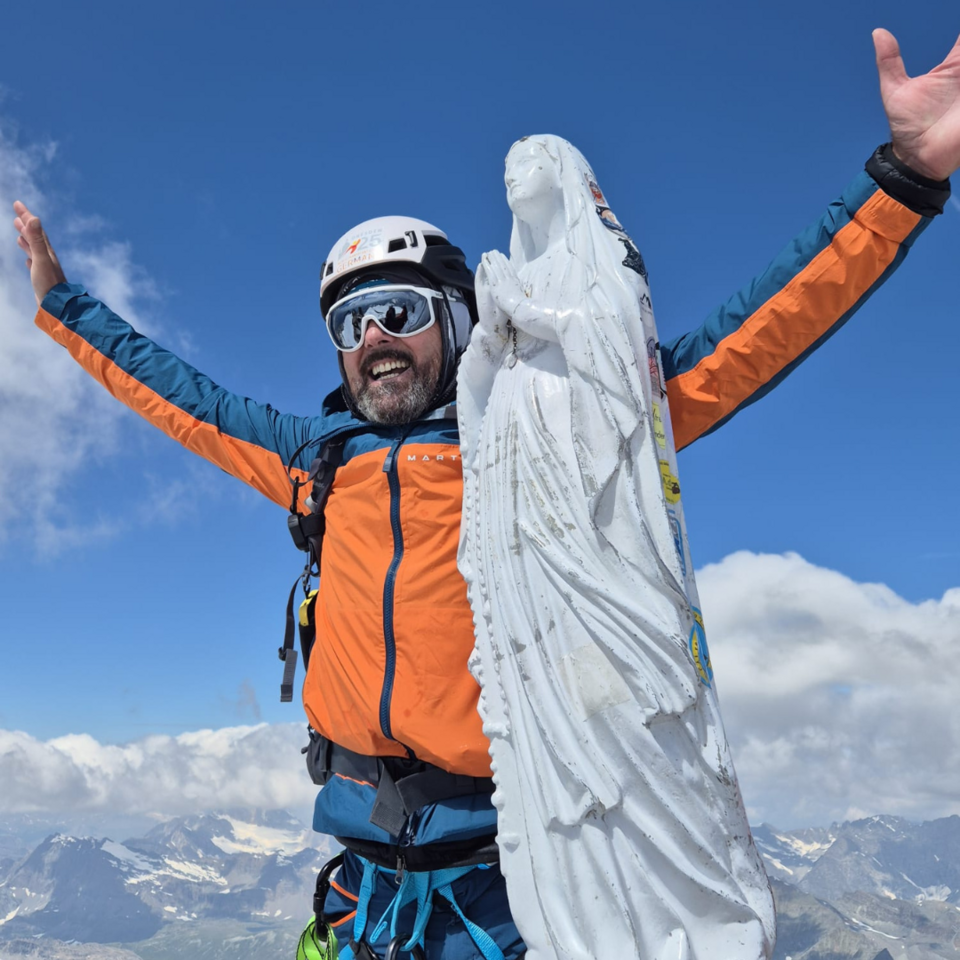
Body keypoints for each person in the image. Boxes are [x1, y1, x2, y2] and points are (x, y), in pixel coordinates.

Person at [13, 28, 960, 960]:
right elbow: (180, 397)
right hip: (362, 890)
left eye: (398, 311)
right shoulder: (318, 462)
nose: (373, 340)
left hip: (516, 890)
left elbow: (742, 343)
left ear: (456, 319)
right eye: (349, 324)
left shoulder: (544, 429)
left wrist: (904, 182)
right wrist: (62, 307)